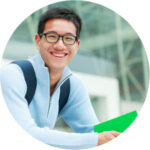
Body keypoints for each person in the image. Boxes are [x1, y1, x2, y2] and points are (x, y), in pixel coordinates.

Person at [0, 7, 120, 149]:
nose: (60, 45)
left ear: (77, 45)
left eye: (69, 39)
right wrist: (95, 139)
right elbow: (25, 132)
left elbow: (93, 131)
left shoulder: (72, 86)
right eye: (52, 36)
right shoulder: (13, 75)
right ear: (38, 41)